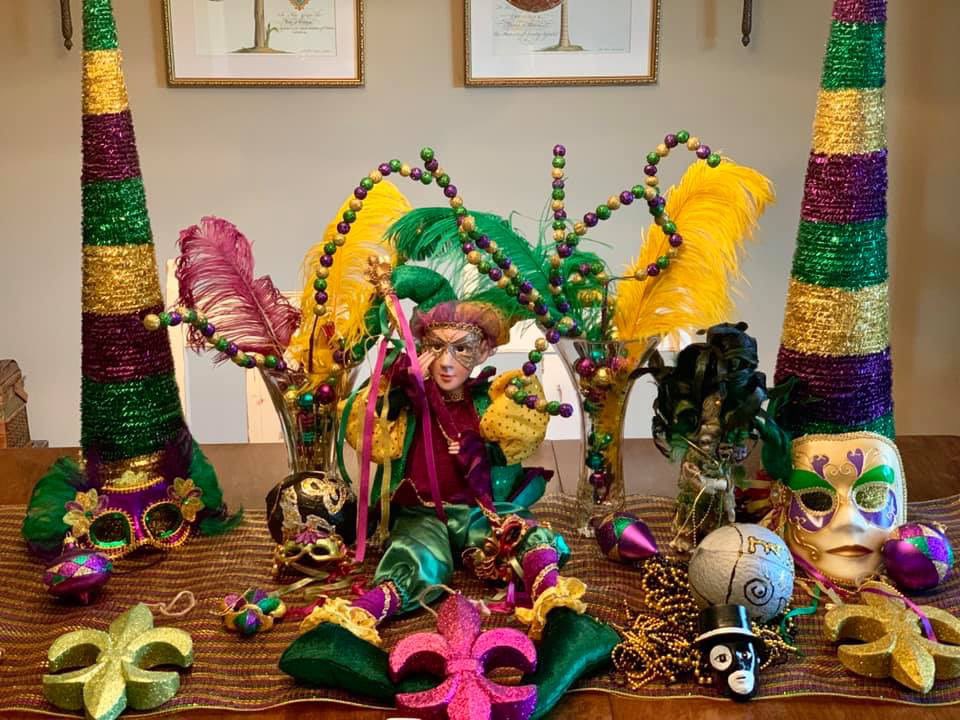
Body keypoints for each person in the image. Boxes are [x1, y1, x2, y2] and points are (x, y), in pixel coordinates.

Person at [299, 299, 586, 646]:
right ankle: (360, 615)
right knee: (416, 556)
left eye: (462, 349)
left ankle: (554, 604)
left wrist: (477, 451)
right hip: (420, 513)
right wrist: (400, 390)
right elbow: (372, 431)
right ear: (421, 350)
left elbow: (507, 450)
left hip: (478, 510)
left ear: (483, 352)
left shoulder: (494, 402)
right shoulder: (406, 402)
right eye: (436, 348)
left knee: (520, 532)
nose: (447, 363)